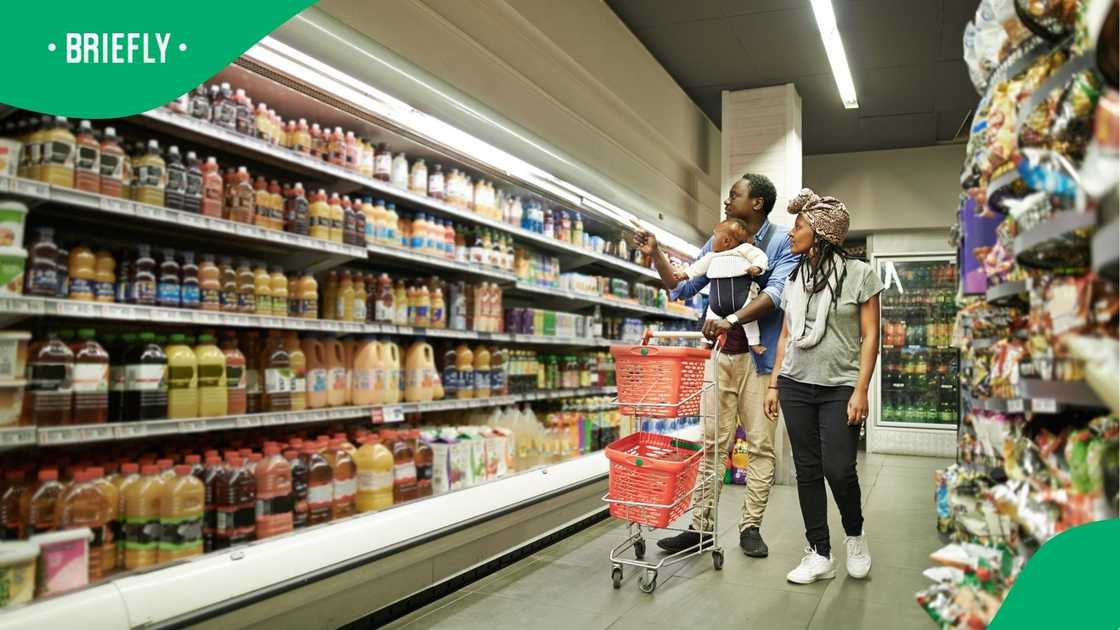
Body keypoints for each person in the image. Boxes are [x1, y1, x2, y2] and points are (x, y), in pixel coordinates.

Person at [634, 173, 799, 558]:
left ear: (756, 203)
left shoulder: (780, 244)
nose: (726, 200)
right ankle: (701, 527)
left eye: (734, 195)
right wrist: (656, 253)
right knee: (711, 445)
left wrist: (732, 320)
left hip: (761, 361)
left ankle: (750, 527)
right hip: (721, 356)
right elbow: (681, 285)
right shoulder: (719, 239)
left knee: (760, 446)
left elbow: (775, 296)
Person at [764, 188, 882, 584]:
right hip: (796, 384)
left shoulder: (861, 274)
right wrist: (775, 385)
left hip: (839, 387)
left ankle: (855, 534)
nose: (791, 234)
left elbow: (871, 336)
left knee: (840, 468)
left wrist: (861, 389)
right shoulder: (795, 277)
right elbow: (784, 336)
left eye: (798, 227)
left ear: (820, 232)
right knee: (807, 469)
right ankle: (819, 552)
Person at [674, 217, 769, 354]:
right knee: (710, 319)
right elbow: (698, 267)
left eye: (715, 236)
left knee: (750, 319)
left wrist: (758, 267)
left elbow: (760, 257)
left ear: (726, 241)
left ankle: (754, 343)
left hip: (741, 295)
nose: (712, 239)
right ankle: (707, 342)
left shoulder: (744, 249)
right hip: (716, 299)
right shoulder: (711, 256)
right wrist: (686, 274)